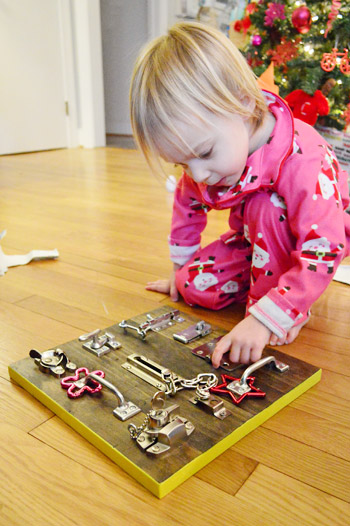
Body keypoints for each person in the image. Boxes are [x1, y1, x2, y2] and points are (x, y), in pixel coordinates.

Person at [129, 21, 350, 367]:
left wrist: (264, 320)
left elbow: (324, 245)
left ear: (244, 103)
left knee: (267, 205)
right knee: (192, 285)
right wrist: (179, 268)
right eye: (182, 164)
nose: (197, 174)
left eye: (203, 154)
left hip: (316, 241)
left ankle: (282, 304)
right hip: (254, 239)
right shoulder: (202, 158)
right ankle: (266, 280)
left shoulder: (305, 158)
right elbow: (187, 203)